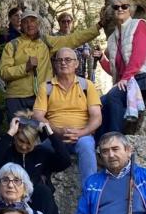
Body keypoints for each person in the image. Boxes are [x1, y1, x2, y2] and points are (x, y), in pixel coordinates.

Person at [0, 11, 100, 120]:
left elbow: (73, 39)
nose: (30, 24)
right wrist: (25, 67)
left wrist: (98, 26)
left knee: (46, 133)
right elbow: (3, 72)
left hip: (42, 97)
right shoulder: (12, 45)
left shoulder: (46, 43)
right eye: (26, 22)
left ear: (38, 24)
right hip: (16, 98)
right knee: (19, 135)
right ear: (21, 26)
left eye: (33, 21)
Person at [32, 47, 102, 185]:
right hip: (54, 137)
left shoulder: (87, 85)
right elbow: (37, 116)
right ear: (55, 64)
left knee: (87, 145)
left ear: (76, 64)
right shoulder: (46, 87)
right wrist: (57, 131)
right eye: (59, 60)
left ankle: (91, 193)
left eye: (68, 60)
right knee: (37, 153)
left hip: (81, 136)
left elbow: (97, 117)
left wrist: (82, 132)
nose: (63, 63)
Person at [98, 0, 146, 135]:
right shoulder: (112, 38)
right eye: (116, 7)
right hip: (127, 80)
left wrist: (126, 78)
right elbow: (115, 70)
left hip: (141, 77)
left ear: (130, 9)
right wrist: (101, 59)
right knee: (100, 102)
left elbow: (138, 56)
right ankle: (99, 141)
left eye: (124, 6)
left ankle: (115, 137)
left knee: (114, 96)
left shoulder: (139, 25)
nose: (120, 9)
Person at [0, 115, 71, 214]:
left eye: (29, 143)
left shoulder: (42, 153)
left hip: (37, 202)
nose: (24, 146)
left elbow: (65, 161)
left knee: (44, 190)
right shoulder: (8, 152)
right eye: (21, 141)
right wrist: (10, 132)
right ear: (15, 137)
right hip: (11, 200)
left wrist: (50, 133)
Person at [56, 12, 96, 81]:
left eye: (68, 21)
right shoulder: (55, 38)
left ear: (72, 23)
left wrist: (87, 51)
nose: (66, 24)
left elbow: (89, 55)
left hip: (79, 76)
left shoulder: (78, 37)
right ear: (59, 23)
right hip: (61, 76)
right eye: (63, 21)